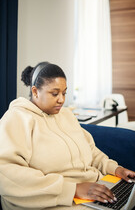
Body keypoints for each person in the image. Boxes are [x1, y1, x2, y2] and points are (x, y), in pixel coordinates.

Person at [0, 61, 135, 210]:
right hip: (54, 200)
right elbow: (6, 174)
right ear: (35, 91)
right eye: (55, 93)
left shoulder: (66, 115)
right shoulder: (16, 118)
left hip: (91, 191)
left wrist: (114, 168)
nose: (62, 100)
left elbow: (90, 150)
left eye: (64, 93)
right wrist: (73, 190)